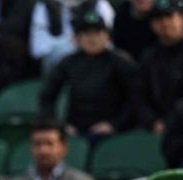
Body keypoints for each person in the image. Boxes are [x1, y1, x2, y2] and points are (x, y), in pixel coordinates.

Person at [39, 4, 139, 142]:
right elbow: (47, 96)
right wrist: (60, 126)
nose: (92, 39)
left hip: (111, 132)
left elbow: (135, 99)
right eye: (86, 33)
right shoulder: (68, 62)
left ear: (107, 37)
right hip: (75, 130)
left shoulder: (120, 62)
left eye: (97, 33)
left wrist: (114, 125)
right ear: (76, 38)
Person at [135, 0, 183, 136]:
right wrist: (152, 121)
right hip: (157, 126)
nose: (164, 23)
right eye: (158, 19)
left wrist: (172, 122)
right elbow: (140, 96)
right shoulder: (149, 57)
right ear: (152, 26)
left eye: (170, 17)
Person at [11, 119, 100, 180]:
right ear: (30, 148)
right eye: (37, 144)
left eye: (49, 144)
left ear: (64, 148)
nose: (43, 151)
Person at [30, 0, 114, 75]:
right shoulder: (45, 5)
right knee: (60, 51)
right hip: (60, 65)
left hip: (94, 58)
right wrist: (70, 45)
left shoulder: (100, 4)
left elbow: (110, 41)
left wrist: (85, 44)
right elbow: (38, 50)